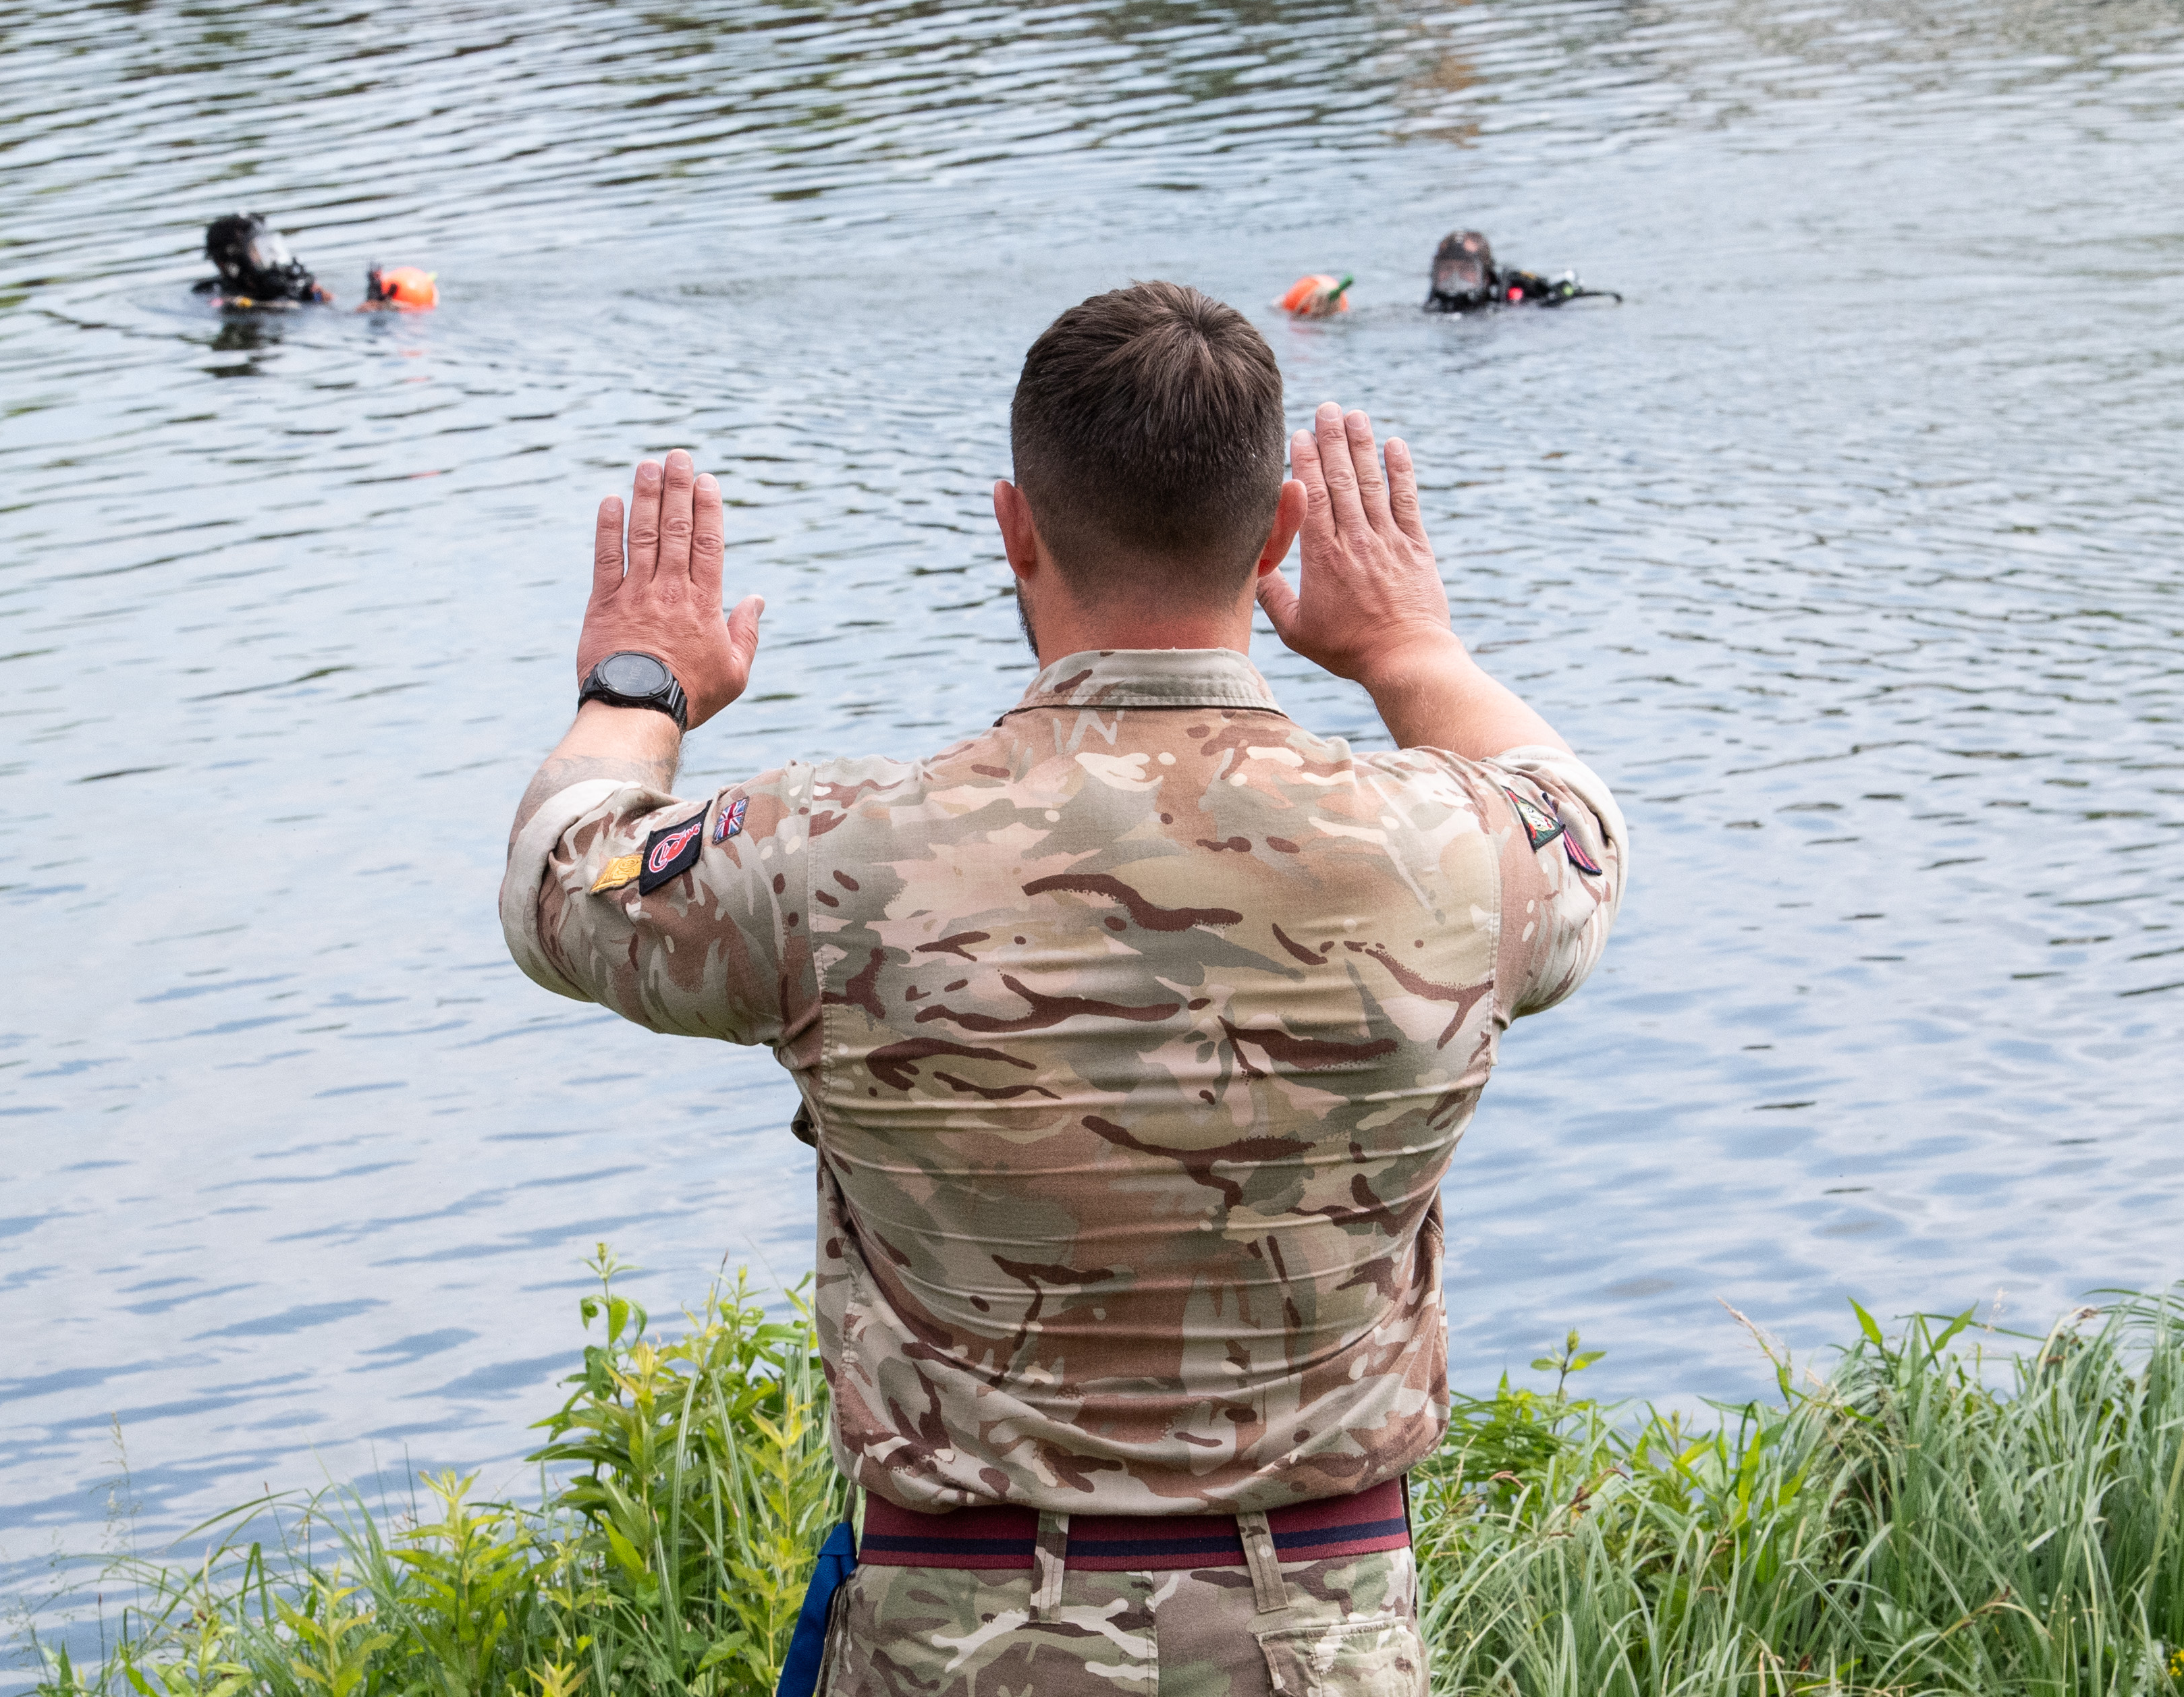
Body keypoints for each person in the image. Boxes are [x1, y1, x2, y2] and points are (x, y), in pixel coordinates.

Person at [499, 281, 1625, 1694]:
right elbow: (1575, 818)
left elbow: (565, 878)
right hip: (1319, 1643)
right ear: (1277, 532)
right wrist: (1409, 651)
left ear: (1011, 527)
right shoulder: (1455, 855)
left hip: (959, 1638)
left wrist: (637, 688)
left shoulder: (832, 853)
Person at [193, 213, 436, 312]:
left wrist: (323, 296)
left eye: (269, 249)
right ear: (231, 264)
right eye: (257, 252)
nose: (271, 260)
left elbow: (328, 308)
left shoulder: (286, 285)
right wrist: (367, 311)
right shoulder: (229, 300)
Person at [1425, 228, 1620, 312]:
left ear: (1486, 276)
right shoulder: (1432, 306)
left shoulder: (1515, 295)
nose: (1455, 278)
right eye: (1446, 269)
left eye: (1466, 270)